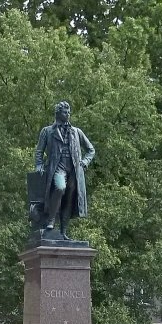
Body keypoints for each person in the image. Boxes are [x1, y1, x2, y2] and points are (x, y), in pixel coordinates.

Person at [34, 100, 95, 240]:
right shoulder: (48, 131)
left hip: (74, 168)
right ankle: (51, 220)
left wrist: (84, 162)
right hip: (58, 167)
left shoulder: (76, 132)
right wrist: (39, 165)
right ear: (57, 113)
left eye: (68, 112)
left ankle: (63, 231)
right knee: (60, 188)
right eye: (64, 112)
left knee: (69, 197)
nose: (67, 114)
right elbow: (39, 152)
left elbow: (91, 150)